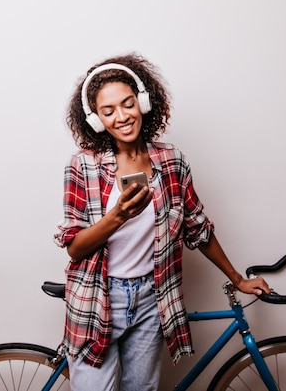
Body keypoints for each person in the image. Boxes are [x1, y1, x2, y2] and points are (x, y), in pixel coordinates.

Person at [53, 52, 270, 391]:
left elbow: (198, 227)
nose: (122, 117)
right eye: (108, 111)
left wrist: (237, 278)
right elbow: (75, 248)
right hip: (100, 298)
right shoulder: (83, 166)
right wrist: (117, 217)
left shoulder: (171, 161)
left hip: (152, 298)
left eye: (127, 104)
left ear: (143, 101)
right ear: (96, 120)